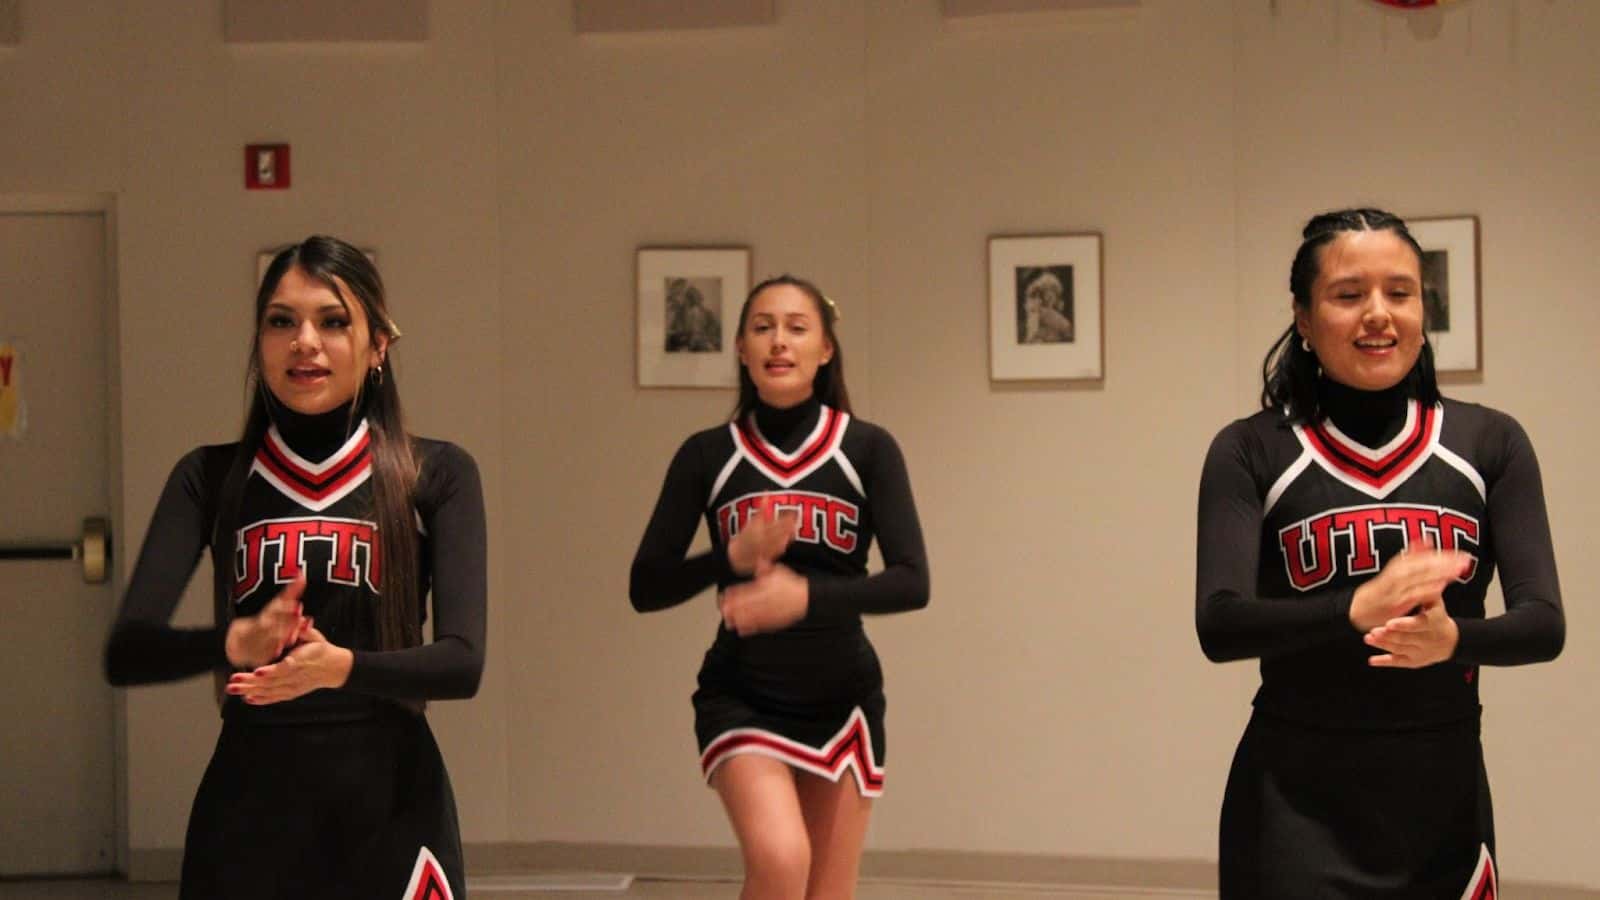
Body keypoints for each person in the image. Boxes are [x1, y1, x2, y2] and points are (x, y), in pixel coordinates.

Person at [1195, 209, 1564, 897]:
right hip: (1293, 813)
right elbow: (1218, 624)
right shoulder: (1250, 449)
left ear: (1423, 310)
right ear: (1304, 318)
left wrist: (1454, 640)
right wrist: (1355, 608)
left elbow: (1544, 624)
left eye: (1400, 292)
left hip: (1444, 807)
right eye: (1347, 294)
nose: (1377, 313)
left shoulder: (1492, 442)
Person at [104, 236, 486, 899]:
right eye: (282, 321)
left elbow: (463, 663)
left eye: (332, 321)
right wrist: (234, 641)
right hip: (250, 815)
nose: (304, 341)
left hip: (394, 810)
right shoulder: (209, 476)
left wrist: (341, 668)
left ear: (378, 345)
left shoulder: (436, 473)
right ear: (259, 343)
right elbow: (127, 653)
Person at [631, 274, 929, 899]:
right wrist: (727, 558)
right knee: (781, 860)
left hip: (844, 700)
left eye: (797, 328)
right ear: (741, 348)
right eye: (763, 328)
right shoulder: (708, 455)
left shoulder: (867, 448)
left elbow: (912, 581)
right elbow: (646, 585)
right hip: (743, 697)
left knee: (825, 891)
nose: (779, 342)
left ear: (826, 348)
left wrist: (807, 598)